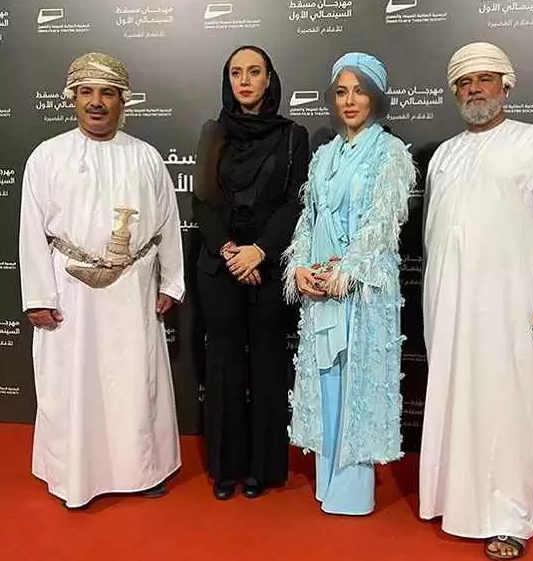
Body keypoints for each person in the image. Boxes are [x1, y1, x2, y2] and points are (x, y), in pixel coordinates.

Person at [419, 42, 533, 559]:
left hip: (516, 308)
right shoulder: (444, 155)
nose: (474, 89)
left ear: (505, 86)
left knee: (514, 408)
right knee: (457, 402)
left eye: (484, 79)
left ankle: (510, 518)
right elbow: (434, 239)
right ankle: (457, 504)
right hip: (450, 309)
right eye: (464, 82)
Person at [19, 52, 185, 509]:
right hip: (70, 292)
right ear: (73, 98)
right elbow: (31, 231)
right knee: (74, 383)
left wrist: (170, 282)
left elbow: (167, 225)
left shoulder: (146, 157)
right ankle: (75, 476)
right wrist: (38, 296)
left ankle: (142, 471)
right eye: (87, 92)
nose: (96, 102)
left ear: (122, 101)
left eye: (107, 93)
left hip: (133, 290)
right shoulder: (47, 156)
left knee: (135, 380)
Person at [284, 52, 415, 515]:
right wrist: (301, 267)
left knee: (356, 383)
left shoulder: (390, 153)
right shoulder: (323, 156)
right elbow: (308, 218)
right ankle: (328, 483)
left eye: (359, 91)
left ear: (375, 97)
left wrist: (346, 272)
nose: (350, 100)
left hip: (363, 289)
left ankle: (353, 493)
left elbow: (383, 224)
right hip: (320, 288)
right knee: (326, 381)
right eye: (341, 92)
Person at [193, 45, 309, 500]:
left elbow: (296, 200)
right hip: (221, 266)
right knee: (223, 366)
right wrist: (230, 252)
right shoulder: (213, 133)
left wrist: (259, 251)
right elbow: (202, 200)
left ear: (268, 79)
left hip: (269, 263)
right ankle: (225, 469)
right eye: (236, 72)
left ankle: (263, 468)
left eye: (254, 72)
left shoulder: (292, 135)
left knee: (267, 364)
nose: (244, 80)